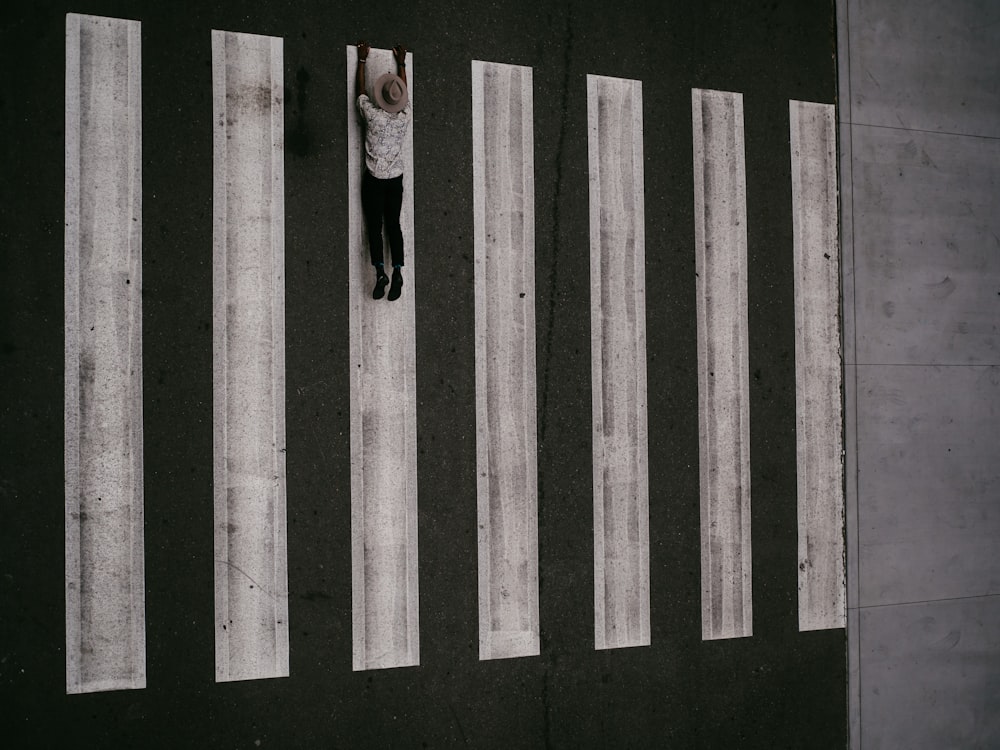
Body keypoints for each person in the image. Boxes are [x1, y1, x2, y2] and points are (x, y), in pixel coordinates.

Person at [356, 41, 411, 301]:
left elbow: (360, 94)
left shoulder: (372, 116)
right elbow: (405, 93)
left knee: (375, 227)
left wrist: (362, 60)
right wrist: (402, 63)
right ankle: (398, 269)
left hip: (375, 181)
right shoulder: (405, 117)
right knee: (394, 226)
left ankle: (380, 271)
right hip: (395, 179)